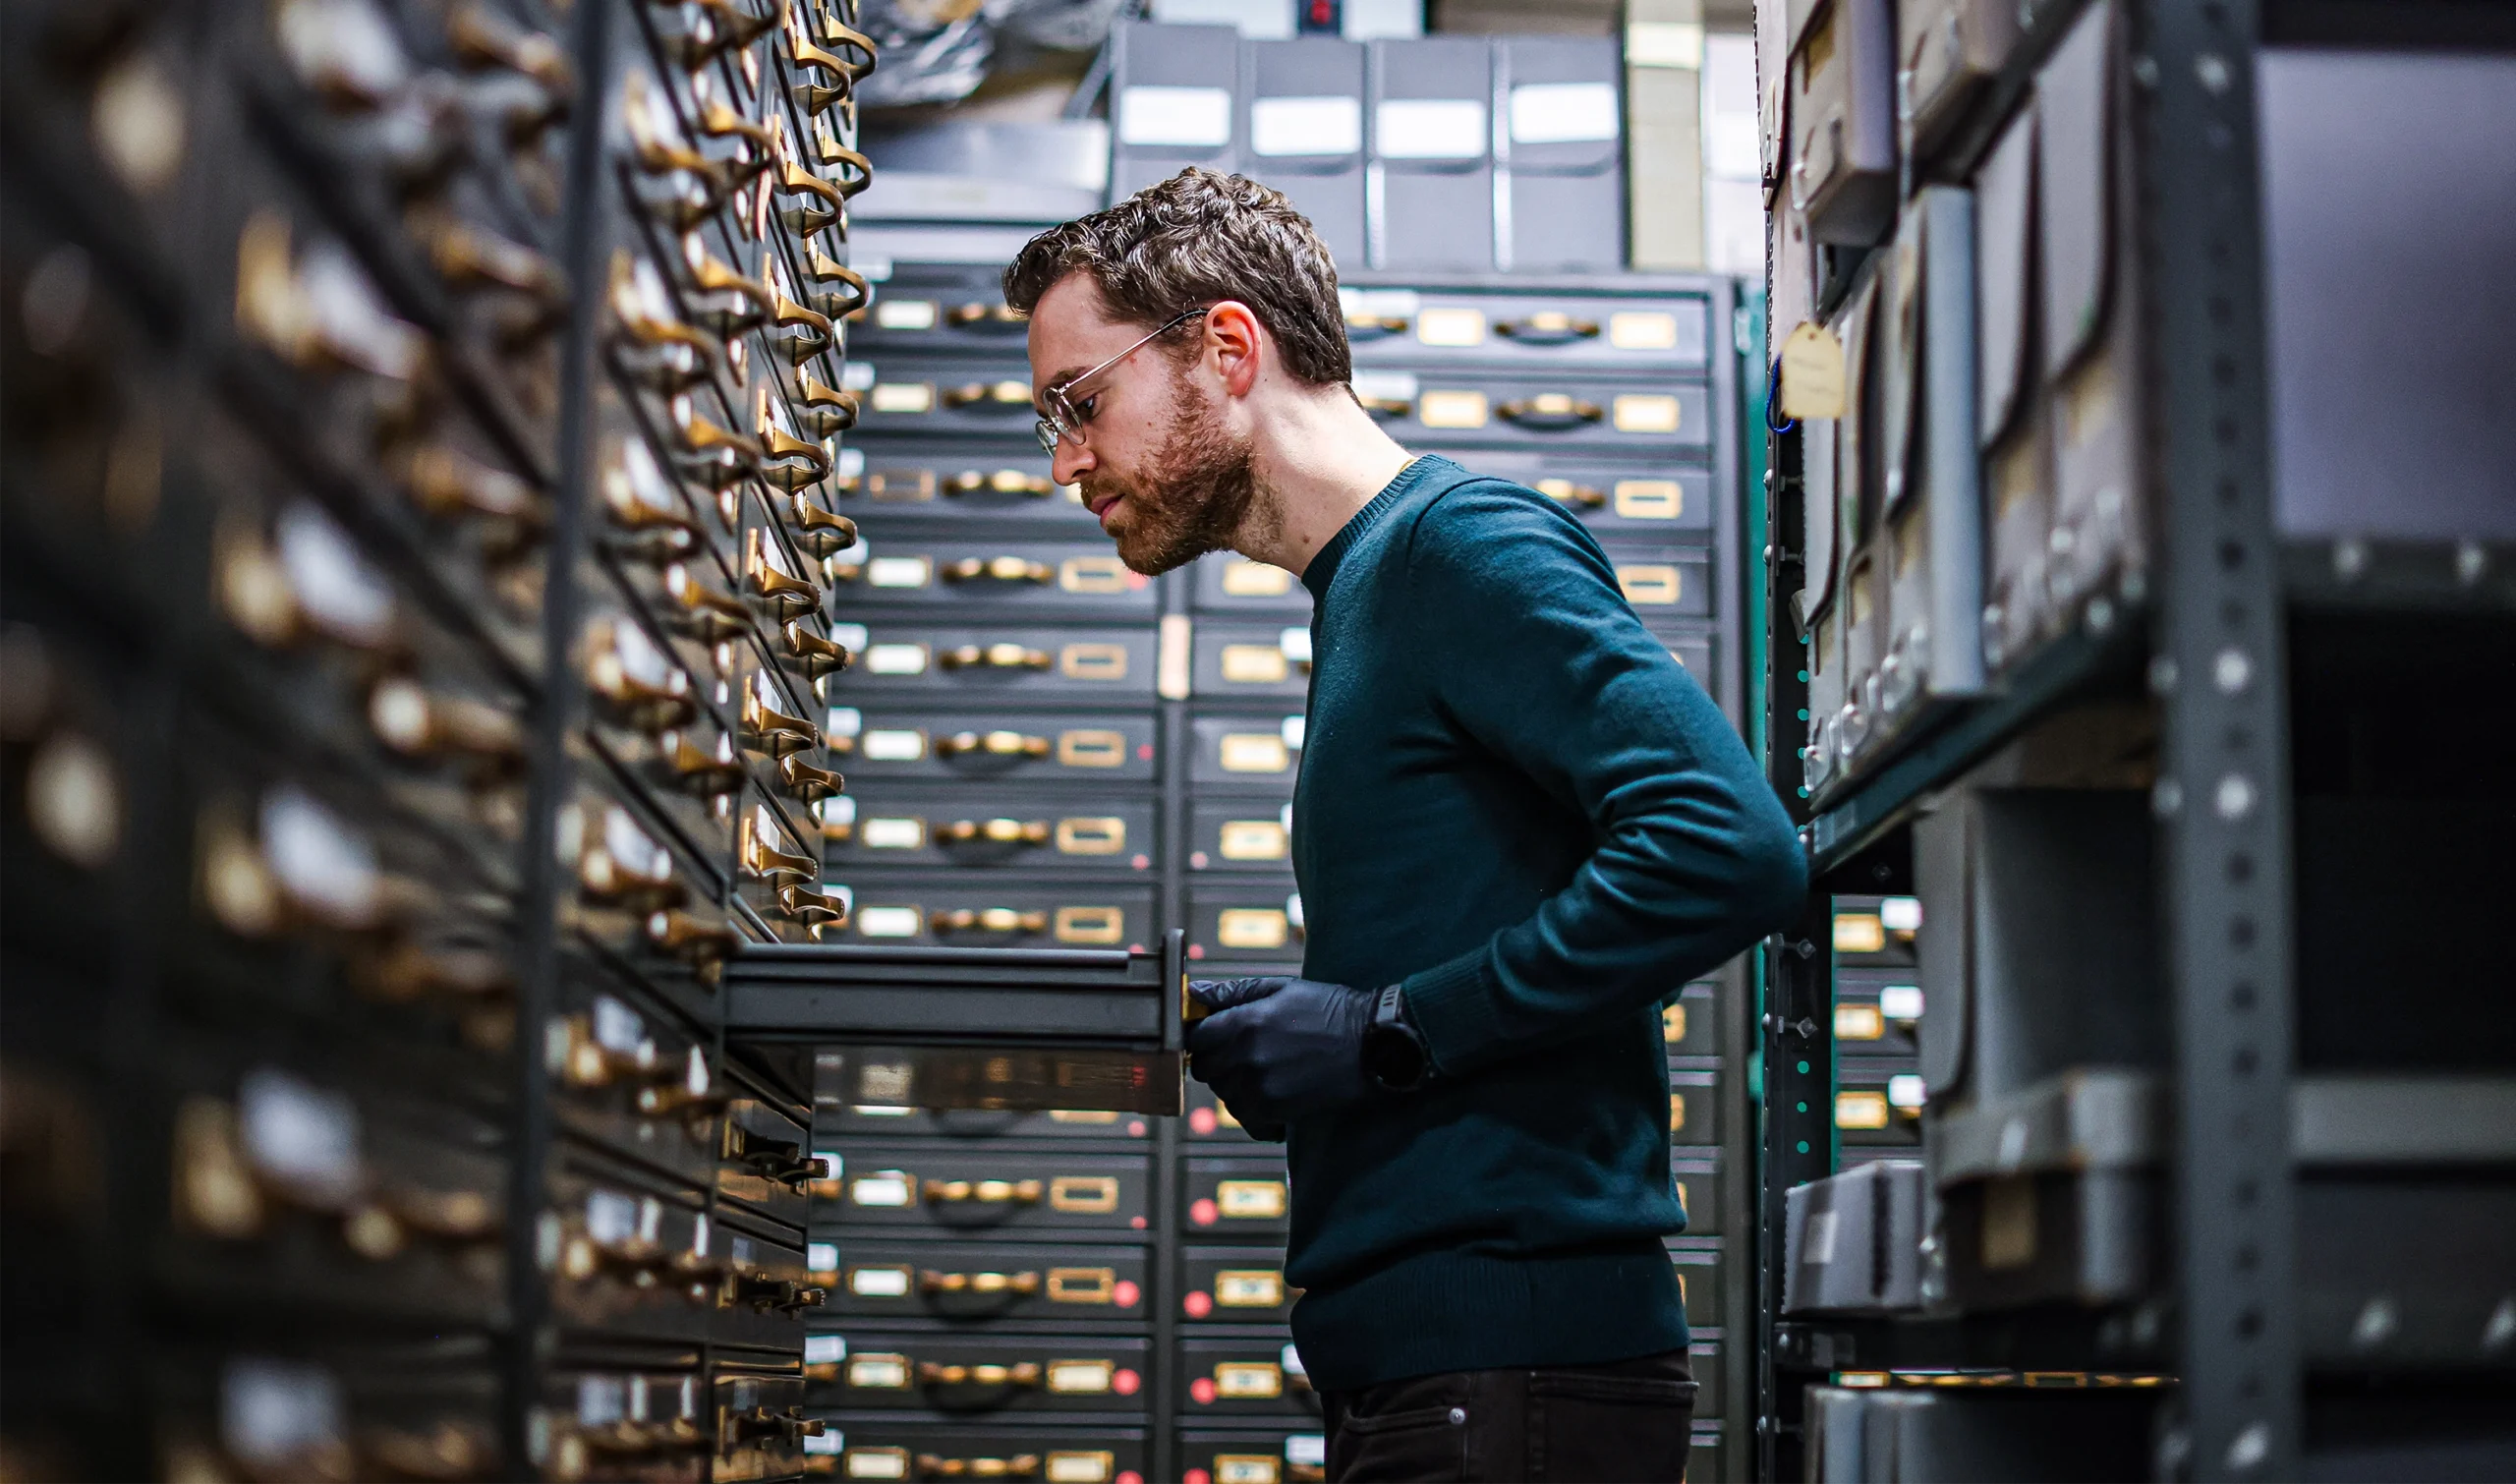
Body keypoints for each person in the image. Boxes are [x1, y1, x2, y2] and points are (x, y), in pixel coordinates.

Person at [1004, 167, 1808, 1484]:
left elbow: (1730, 843)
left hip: (1512, 1371)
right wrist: (1335, 1013)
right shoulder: (1363, 595)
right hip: (1438, 1376)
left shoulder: (1460, 550)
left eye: (1081, 402)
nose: (1066, 461)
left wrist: (1392, 1031)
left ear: (1225, 346)